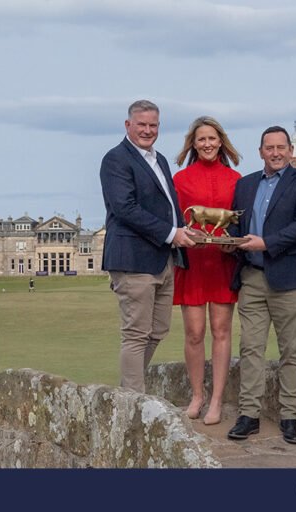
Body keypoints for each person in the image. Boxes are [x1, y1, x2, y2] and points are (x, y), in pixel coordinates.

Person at [225, 126, 296, 445]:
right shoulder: (245, 184)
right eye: (270, 148)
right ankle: (249, 415)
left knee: (291, 350)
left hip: (291, 277)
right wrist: (226, 241)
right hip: (252, 277)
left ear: (290, 151)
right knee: (250, 348)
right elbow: (237, 227)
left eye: (282, 147)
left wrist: (266, 243)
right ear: (260, 152)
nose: (276, 153)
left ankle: (290, 416)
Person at [100, 99, 196, 394]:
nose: (147, 130)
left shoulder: (160, 159)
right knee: (136, 334)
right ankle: (133, 400)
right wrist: (171, 233)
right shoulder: (116, 159)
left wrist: (182, 229)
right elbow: (125, 208)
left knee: (158, 330)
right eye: (141, 124)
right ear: (127, 125)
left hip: (162, 258)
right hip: (132, 260)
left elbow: (168, 206)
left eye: (153, 125)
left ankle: (128, 393)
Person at [173, 116, 242, 425]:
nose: (207, 144)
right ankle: (197, 395)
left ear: (221, 142)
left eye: (212, 138)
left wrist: (233, 243)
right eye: (201, 139)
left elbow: (239, 222)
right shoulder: (180, 179)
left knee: (222, 330)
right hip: (193, 263)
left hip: (223, 263)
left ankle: (216, 400)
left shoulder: (236, 179)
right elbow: (174, 220)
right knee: (194, 333)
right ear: (193, 143)